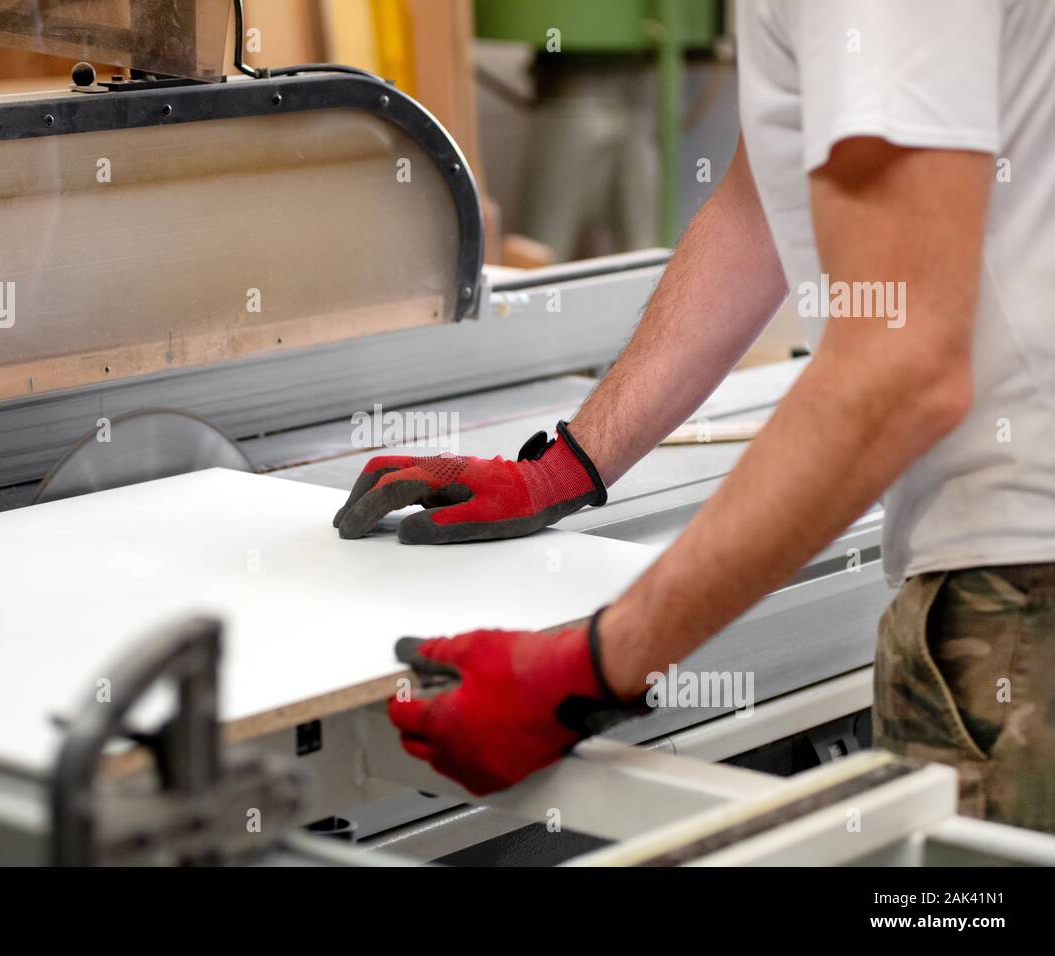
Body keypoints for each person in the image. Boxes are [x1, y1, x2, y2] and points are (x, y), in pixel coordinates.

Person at [334, 0, 1055, 834]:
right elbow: (759, 205)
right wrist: (562, 468)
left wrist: (587, 669)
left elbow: (901, 367)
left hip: (1020, 592)